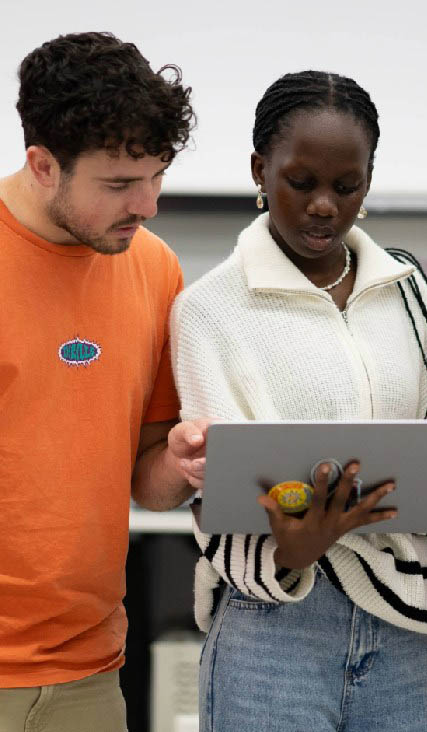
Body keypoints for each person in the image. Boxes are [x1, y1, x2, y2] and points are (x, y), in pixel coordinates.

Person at [169, 71, 427, 731]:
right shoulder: (209, 310)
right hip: (272, 631)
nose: (324, 205)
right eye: (302, 183)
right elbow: (217, 489)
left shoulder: (409, 291)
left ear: (368, 180)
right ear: (259, 170)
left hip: (403, 625)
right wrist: (294, 550)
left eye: (346, 185)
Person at [0, 32, 207, 732]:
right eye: (119, 184)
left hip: (88, 673)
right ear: (43, 165)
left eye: (157, 176)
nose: (146, 204)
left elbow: (148, 483)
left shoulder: (155, 269)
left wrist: (182, 461)